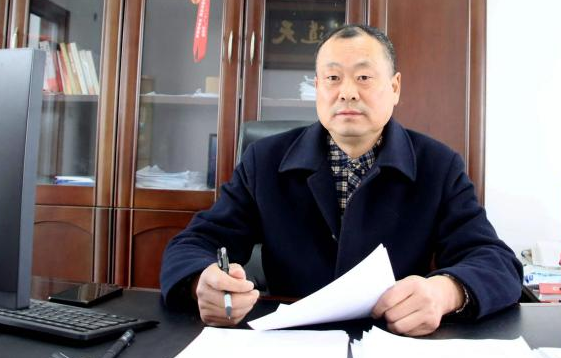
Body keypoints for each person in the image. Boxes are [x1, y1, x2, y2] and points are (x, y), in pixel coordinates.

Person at [160, 24, 523, 336]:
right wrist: (201, 281)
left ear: (395, 87)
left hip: (391, 342)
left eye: (364, 77)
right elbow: (194, 244)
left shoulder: (438, 165)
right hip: (290, 341)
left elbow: (495, 262)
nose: (347, 91)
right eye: (333, 78)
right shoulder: (265, 160)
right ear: (318, 87)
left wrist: (446, 292)